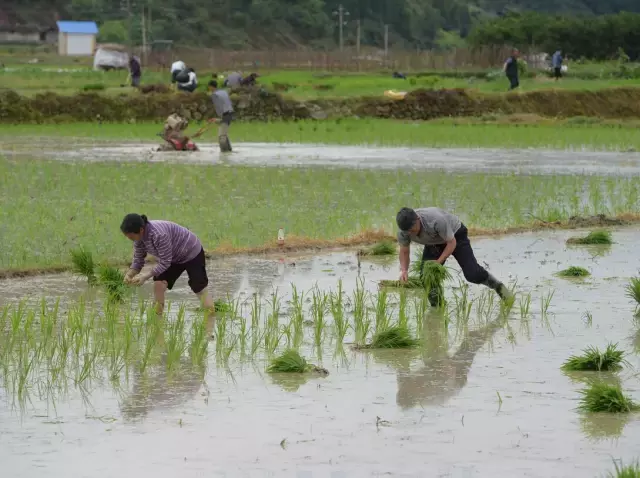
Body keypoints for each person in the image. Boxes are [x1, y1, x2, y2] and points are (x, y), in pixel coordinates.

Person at [396, 207, 511, 307]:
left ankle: (498, 287)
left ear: (418, 219)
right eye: (407, 231)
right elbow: (404, 251)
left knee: (472, 274)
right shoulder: (404, 231)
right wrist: (404, 270)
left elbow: (452, 243)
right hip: (434, 242)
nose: (410, 233)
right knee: (427, 277)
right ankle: (438, 307)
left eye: (412, 229)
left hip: (455, 235)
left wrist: (439, 261)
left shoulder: (435, 220)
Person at [121, 214, 215, 317]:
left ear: (141, 230)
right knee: (159, 283)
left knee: (199, 287)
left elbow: (165, 262)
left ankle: (210, 319)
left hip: (192, 252)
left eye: (131, 236)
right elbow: (138, 260)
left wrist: (145, 277)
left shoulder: (158, 235)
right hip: (173, 256)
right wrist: (130, 274)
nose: (130, 239)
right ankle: (156, 319)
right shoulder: (138, 239)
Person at [207, 80, 234, 152]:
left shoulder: (214, 95)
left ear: (211, 87)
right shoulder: (224, 92)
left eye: (209, 87)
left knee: (221, 136)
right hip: (230, 112)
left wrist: (218, 118)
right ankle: (229, 150)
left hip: (225, 114)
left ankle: (225, 153)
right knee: (224, 133)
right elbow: (228, 103)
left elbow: (218, 107)